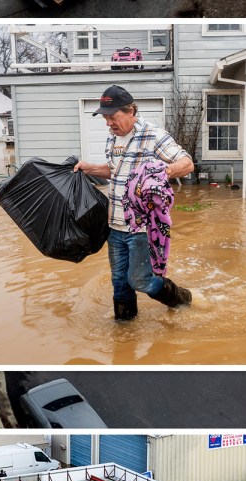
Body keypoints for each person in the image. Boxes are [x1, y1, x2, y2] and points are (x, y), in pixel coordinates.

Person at [73, 85, 194, 321]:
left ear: (130, 111)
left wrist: (159, 172)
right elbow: (116, 171)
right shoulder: (113, 138)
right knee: (119, 281)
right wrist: (90, 168)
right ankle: (125, 332)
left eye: (113, 117)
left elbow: (187, 164)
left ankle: (182, 299)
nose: (108, 123)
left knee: (140, 280)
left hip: (141, 228)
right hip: (114, 224)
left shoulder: (153, 135)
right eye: (105, 118)